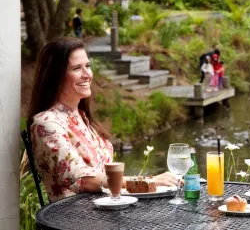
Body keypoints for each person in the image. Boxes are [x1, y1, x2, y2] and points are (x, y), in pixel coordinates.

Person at [27, 37, 178, 202]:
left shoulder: (81, 117)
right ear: (55, 76)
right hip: (73, 221)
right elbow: (83, 180)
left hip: (106, 212)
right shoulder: (46, 124)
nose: (87, 75)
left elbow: (104, 177)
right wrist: (149, 182)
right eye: (77, 68)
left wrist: (151, 184)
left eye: (88, 66)